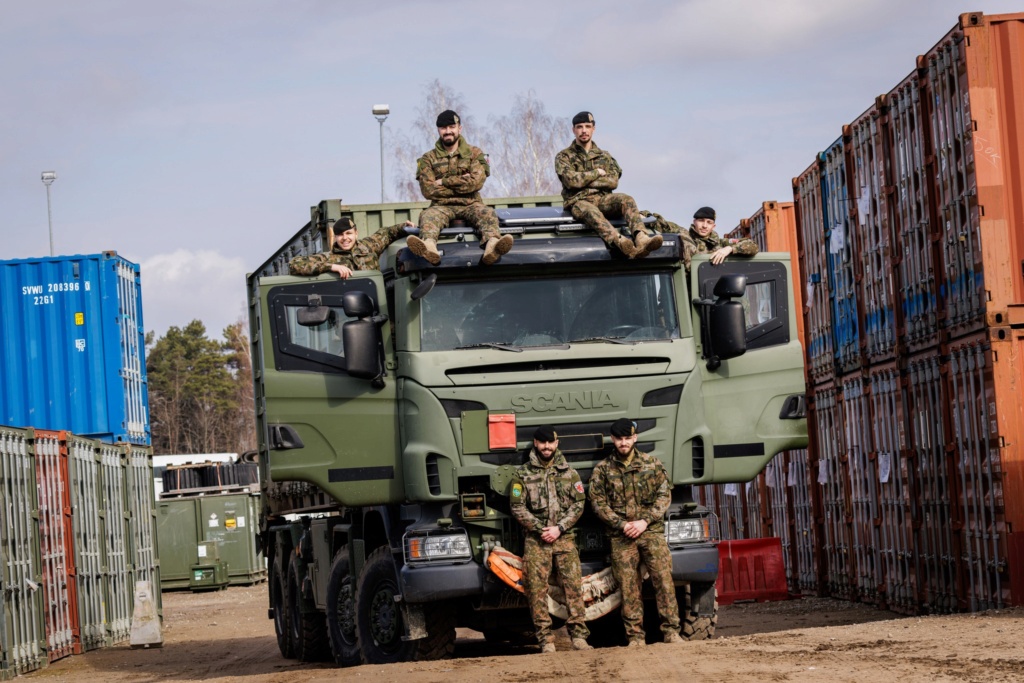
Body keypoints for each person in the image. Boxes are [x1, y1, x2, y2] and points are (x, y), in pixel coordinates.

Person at [588, 418, 683, 647]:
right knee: (628, 586)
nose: (623, 443)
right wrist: (622, 525)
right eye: (619, 439)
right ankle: (635, 636)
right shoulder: (602, 470)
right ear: (613, 439)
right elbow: (597, 503)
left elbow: (664, 496)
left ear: (635, 438)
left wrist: (644, 521)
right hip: (621, 537)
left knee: (663, 580)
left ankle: (671, 631)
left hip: (650, 532)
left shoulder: (652, 464)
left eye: (627, 438)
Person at [509, 425, 592, 653]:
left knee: (573, 588)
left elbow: (579, 504)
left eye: (550, 443)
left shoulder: (569, 473)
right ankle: (545, 639)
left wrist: (560, 527)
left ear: (557, 443)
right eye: (542, 443)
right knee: (536, 591)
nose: (546, 447)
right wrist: (540, 528)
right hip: (537, 541)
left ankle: (578, 636)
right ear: (536, 444)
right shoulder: (522, 474)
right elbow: (517, 506)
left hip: (564, 539)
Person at [405, 110, 514, 266]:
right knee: (427, 216)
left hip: (470, 203)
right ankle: (429, 247)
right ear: (438, 130)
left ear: (459, 128)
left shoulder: (474, 154)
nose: (448, 131)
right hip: (441, 207)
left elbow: (476, 183)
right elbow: (428, 190)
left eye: (451, 127)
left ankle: (492, 246)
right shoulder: (428, 158)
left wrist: (444, 182)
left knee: (487, 213)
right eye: (443, 128)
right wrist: (462, 181)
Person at [554, 112, 662, 259]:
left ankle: (641, 237)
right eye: (579, 127)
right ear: (574, 130)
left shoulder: (605, 156)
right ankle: (619, 241)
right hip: (578, 202)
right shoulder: (564, 156)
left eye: (587, 126)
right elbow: (571, 181)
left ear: (594, 129)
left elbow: (613, 181)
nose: (584, 130)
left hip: (603, 200)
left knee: (627, 199)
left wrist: (584, 180)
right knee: (591, 211)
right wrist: (597, 172)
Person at [288, 217, 415, 278]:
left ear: (356, 233)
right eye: (340, 235)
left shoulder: (368, 246)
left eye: (348, 233)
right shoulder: (328, 258)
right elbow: (294, 264)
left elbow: (387, 233)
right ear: (335, 237)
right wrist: (331, 267)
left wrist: (404, 227)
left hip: (379, 302)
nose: (345, 238)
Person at [681, 206, 759, 270]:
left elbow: (753, 245)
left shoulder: (721, 244)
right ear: (694, 222)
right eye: (701, 221)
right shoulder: (683, 239)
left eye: (709, 222)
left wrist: (730, 249)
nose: (704, 226)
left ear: (713, 226)